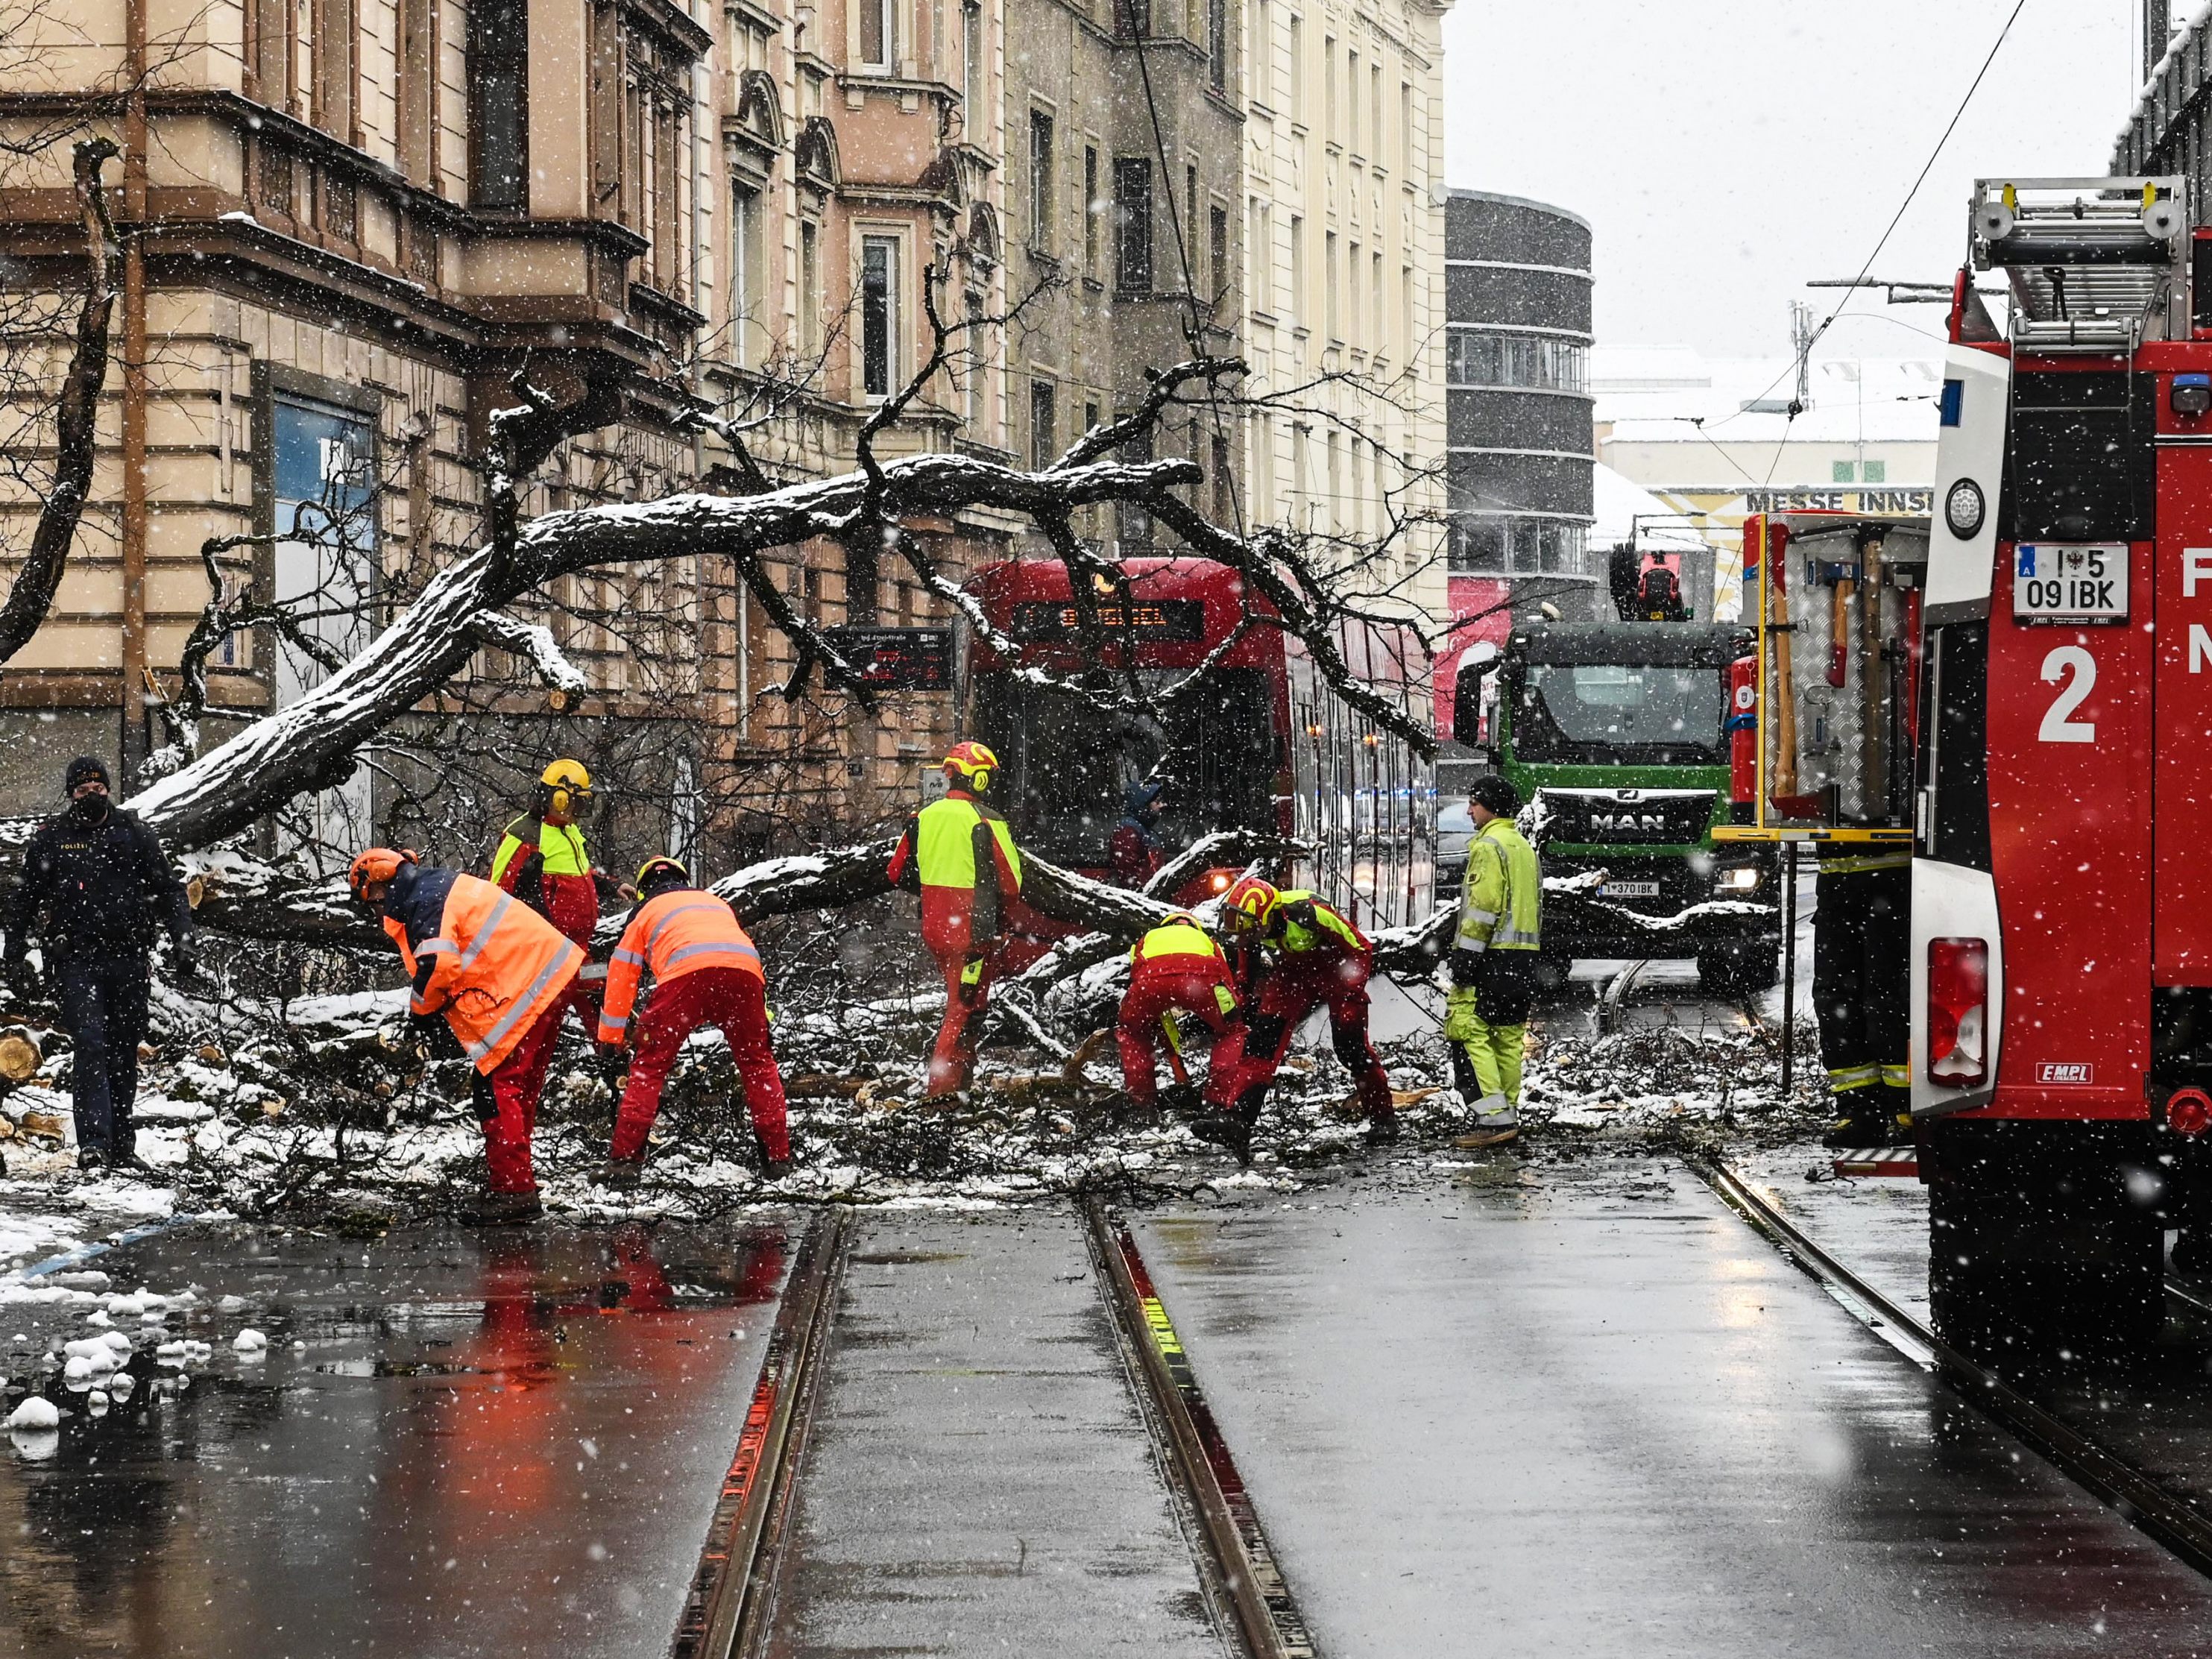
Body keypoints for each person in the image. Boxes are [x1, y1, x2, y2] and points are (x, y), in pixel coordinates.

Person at [350, 847, 582, 1224]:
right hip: (547, 977)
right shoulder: (436, 886)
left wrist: (420, 1013)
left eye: (372, 902)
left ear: (378, 883)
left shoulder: (424, 901)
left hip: (523, 987)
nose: (375, 912)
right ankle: (515, 1181)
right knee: (518, 1088)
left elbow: (438, 965)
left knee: (497, 1088)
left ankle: (514, 1191)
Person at [3, 756, 198, 1172]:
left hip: (128, 957)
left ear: (108, 790)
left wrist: (184, 938)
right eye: (82, 791)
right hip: (76, 959)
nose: (91, 796)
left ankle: (122, 1144)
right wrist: (14, 954)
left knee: (123, 1048)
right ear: (70, 795)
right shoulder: (53, 838)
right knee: (90, 1043)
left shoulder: (133, 832)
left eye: (98, 789)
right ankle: (94, 1143)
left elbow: (169, 889)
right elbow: (23, 902)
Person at [595, 856, 791, 1186]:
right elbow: (742, 955)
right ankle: (777, 1158)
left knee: (649, 1067)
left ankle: (626, 1160)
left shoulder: (645, 912)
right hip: (743, 976)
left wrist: (611, 1039)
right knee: (758, 1065)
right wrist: (761, 1022)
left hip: (685, 979)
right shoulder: (714, 903)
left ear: (644, 890)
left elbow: (622, 974)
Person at [1198, 874, 1396, 1162]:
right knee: (1262, 1041)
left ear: (1267, 917)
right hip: (1293, 971)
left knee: (1350, 1045)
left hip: (1335, 965)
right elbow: (1247, 971)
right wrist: (1246, 1004)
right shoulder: (1253, 930)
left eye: (1250, 930)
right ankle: (1239, 1120)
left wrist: (1352, 990)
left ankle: (1383, 1119)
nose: (1245, 936)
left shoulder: (1308, 913)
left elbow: (1360, 946)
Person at [886, 742, 1024, 1099]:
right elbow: (1013, 882)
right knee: (961, 1006)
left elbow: (896, 872)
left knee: (971, 1002)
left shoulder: (923, 818)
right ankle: (941, 1091)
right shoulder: (986, 819)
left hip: (936, 928)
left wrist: (934, 889)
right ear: (979, 778)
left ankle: (962, 1084)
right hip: (974, 933)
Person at [1446, 774, 1543, 1149]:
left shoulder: (1488, 846)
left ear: (1491, 806)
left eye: (1475, 803)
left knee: (1470, 1032)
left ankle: (1491, 1119)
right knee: (1508, 1037)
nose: (1469, 809)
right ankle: (1508, 1117)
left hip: (1491, 957)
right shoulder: (1522, 846)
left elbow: (1483, 909)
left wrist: (1466, 958)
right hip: (1523, 960)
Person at [491, 759, 609, 1014]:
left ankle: (613, 1050)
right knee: (543, 1017)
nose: (578, 812)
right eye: (577, 803)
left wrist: (612, 886)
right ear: (559, 799)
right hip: (549, 948)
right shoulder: (524, 835)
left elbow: (581, 872)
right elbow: (496, 893)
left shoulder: (570, 832)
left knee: (601, 1000)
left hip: (579, 945)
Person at [1813, 845, 1911, 1148]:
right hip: (1836, 887)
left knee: (1888, 1002)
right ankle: (1860, 1112)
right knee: (1835, 1003)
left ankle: (1906, 1109)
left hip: (1894, 883)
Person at [1116, 910, 1247, 1118]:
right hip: (1204, 978)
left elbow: (1136, 973)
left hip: (1150, 982)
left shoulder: (1148, 938)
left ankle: (1142, 1104)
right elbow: (1225, 978)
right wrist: (1233, 1012)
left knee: (1133, 1033)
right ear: (1195, 927)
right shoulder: (1209, 941)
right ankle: (1218, 1103)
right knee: (1232, 1032)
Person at [1108, 781, 1166, 888]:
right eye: (1157, 802)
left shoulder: (1144, 829)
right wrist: (1147, 890)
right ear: (1143, 804)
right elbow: (1127, 873)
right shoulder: (1128, 830)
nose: (1161, 805)